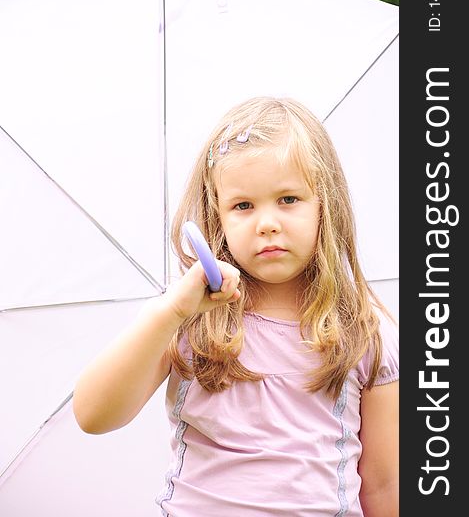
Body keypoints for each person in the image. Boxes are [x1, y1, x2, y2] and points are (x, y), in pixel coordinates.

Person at [73, 96, 399, 516]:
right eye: (243, 205)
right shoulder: (188, 319)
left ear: (325, 205)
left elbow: (384, 484)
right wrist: (169, 314)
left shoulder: (365, 332)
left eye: (288, 199)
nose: (267, 222)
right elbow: (94, 415)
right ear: (217, 216)